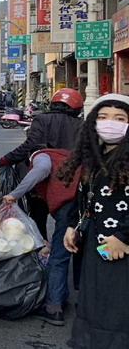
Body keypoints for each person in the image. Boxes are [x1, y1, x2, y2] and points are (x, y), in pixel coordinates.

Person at [61, 93, 129, 348]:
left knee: (117, 307)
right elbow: (85, 198)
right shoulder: (95, 156)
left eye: (119, 118)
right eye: (103, 117)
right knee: (94, 302)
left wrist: (123, 236)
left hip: (120, 248)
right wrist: (73, 226)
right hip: (95, 245)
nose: (110, 123)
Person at [3, 145, 79, 327]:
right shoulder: (67, 155)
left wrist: (14, 194)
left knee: (59, 258)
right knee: (81, 255)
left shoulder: (42, 155)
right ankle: (72, 299)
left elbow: (42, 169)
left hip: (69, 208)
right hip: (86, 206)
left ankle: (54, 308)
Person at [0, 88, 84, 239]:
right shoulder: (81, 124)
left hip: (39, 183)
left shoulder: (42, 119)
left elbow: (29, 145)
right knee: (64, 222)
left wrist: (7, 159)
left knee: (38, 218)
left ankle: (41, 249)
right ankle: (59, 254)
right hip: (67, 182)